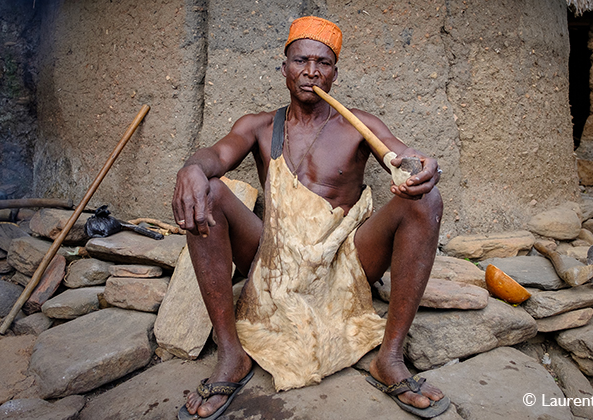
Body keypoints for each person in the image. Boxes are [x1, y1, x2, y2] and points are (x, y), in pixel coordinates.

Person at [173, 16, 447, 420]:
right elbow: (216, 155)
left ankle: (389, 358)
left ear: (335, 73)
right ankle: (231, 357)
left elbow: (399, 153)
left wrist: (420, 166)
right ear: (284, 68)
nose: (312, 71)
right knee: (207, 189)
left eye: (324, 62)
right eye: (301, 60)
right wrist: (192, 168)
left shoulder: (359, 125)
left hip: (344, 263)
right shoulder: (259, 126)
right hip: (273, 258)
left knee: (427, 200)